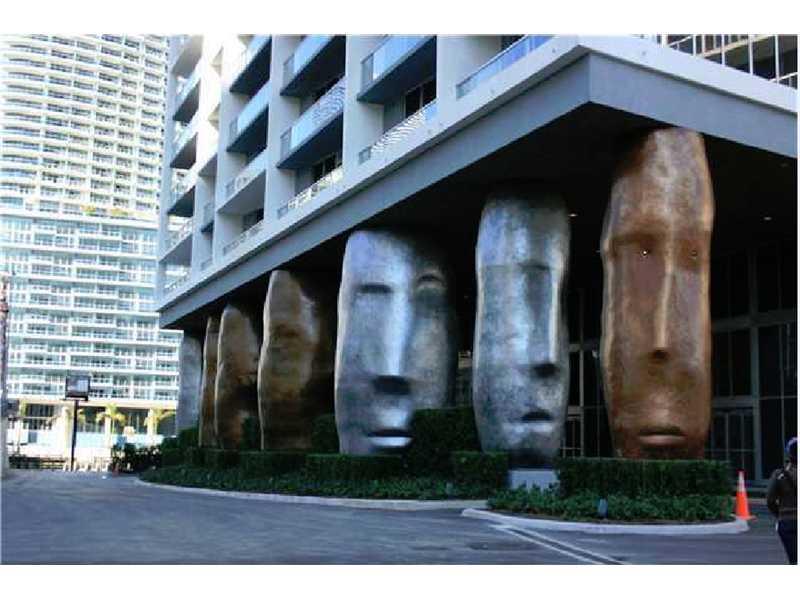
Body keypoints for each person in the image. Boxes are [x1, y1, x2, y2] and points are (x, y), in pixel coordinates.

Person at [767, 437, 797, 565]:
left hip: (787, 521)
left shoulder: (779, 475)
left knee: (794, 559)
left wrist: (780, 514)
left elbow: (770, 500)